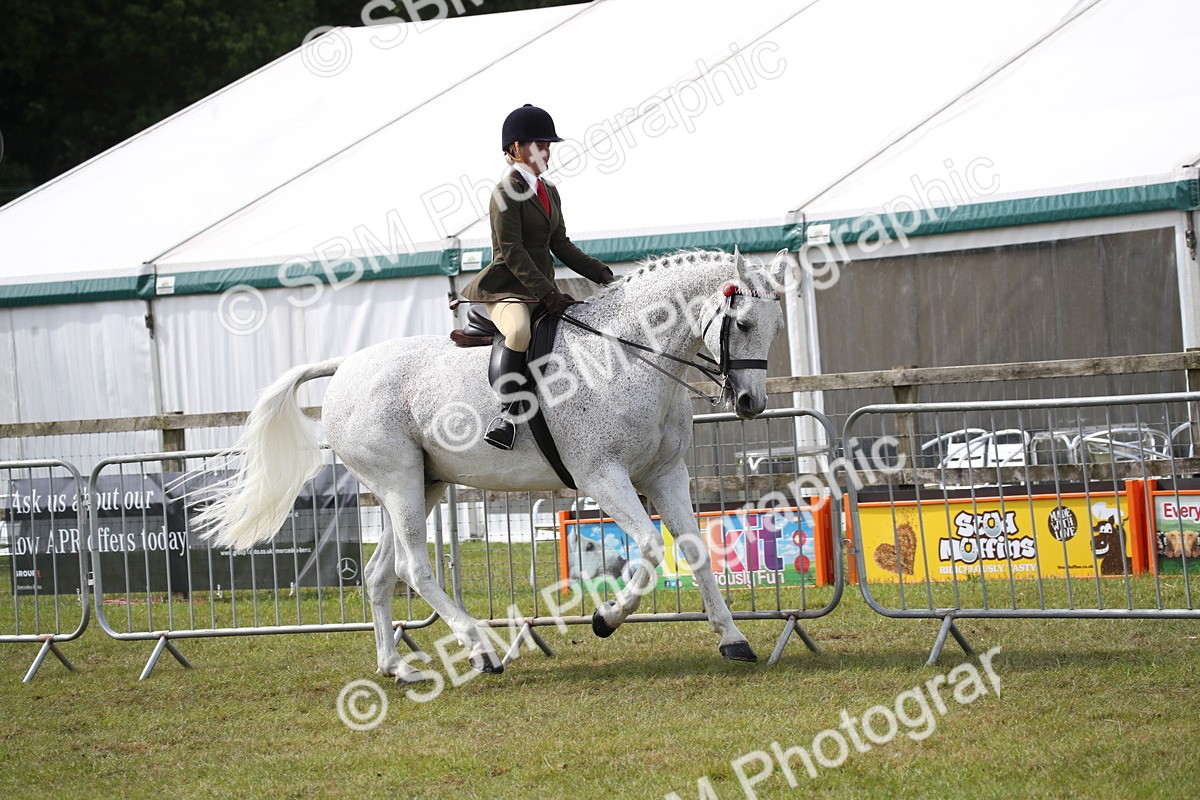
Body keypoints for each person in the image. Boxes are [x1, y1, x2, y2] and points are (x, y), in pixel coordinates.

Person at [460, 104, 616, 450]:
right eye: (539, 145)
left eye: (549, 146)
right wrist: (548, 293)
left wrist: (603, 274)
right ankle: (508, 412)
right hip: (507, 290)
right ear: (516, 149)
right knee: (519, 330)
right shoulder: (504, 192)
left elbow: (560, 244)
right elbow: (510, 252)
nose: (547, 152)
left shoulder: (550, 191)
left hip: (540, 289)